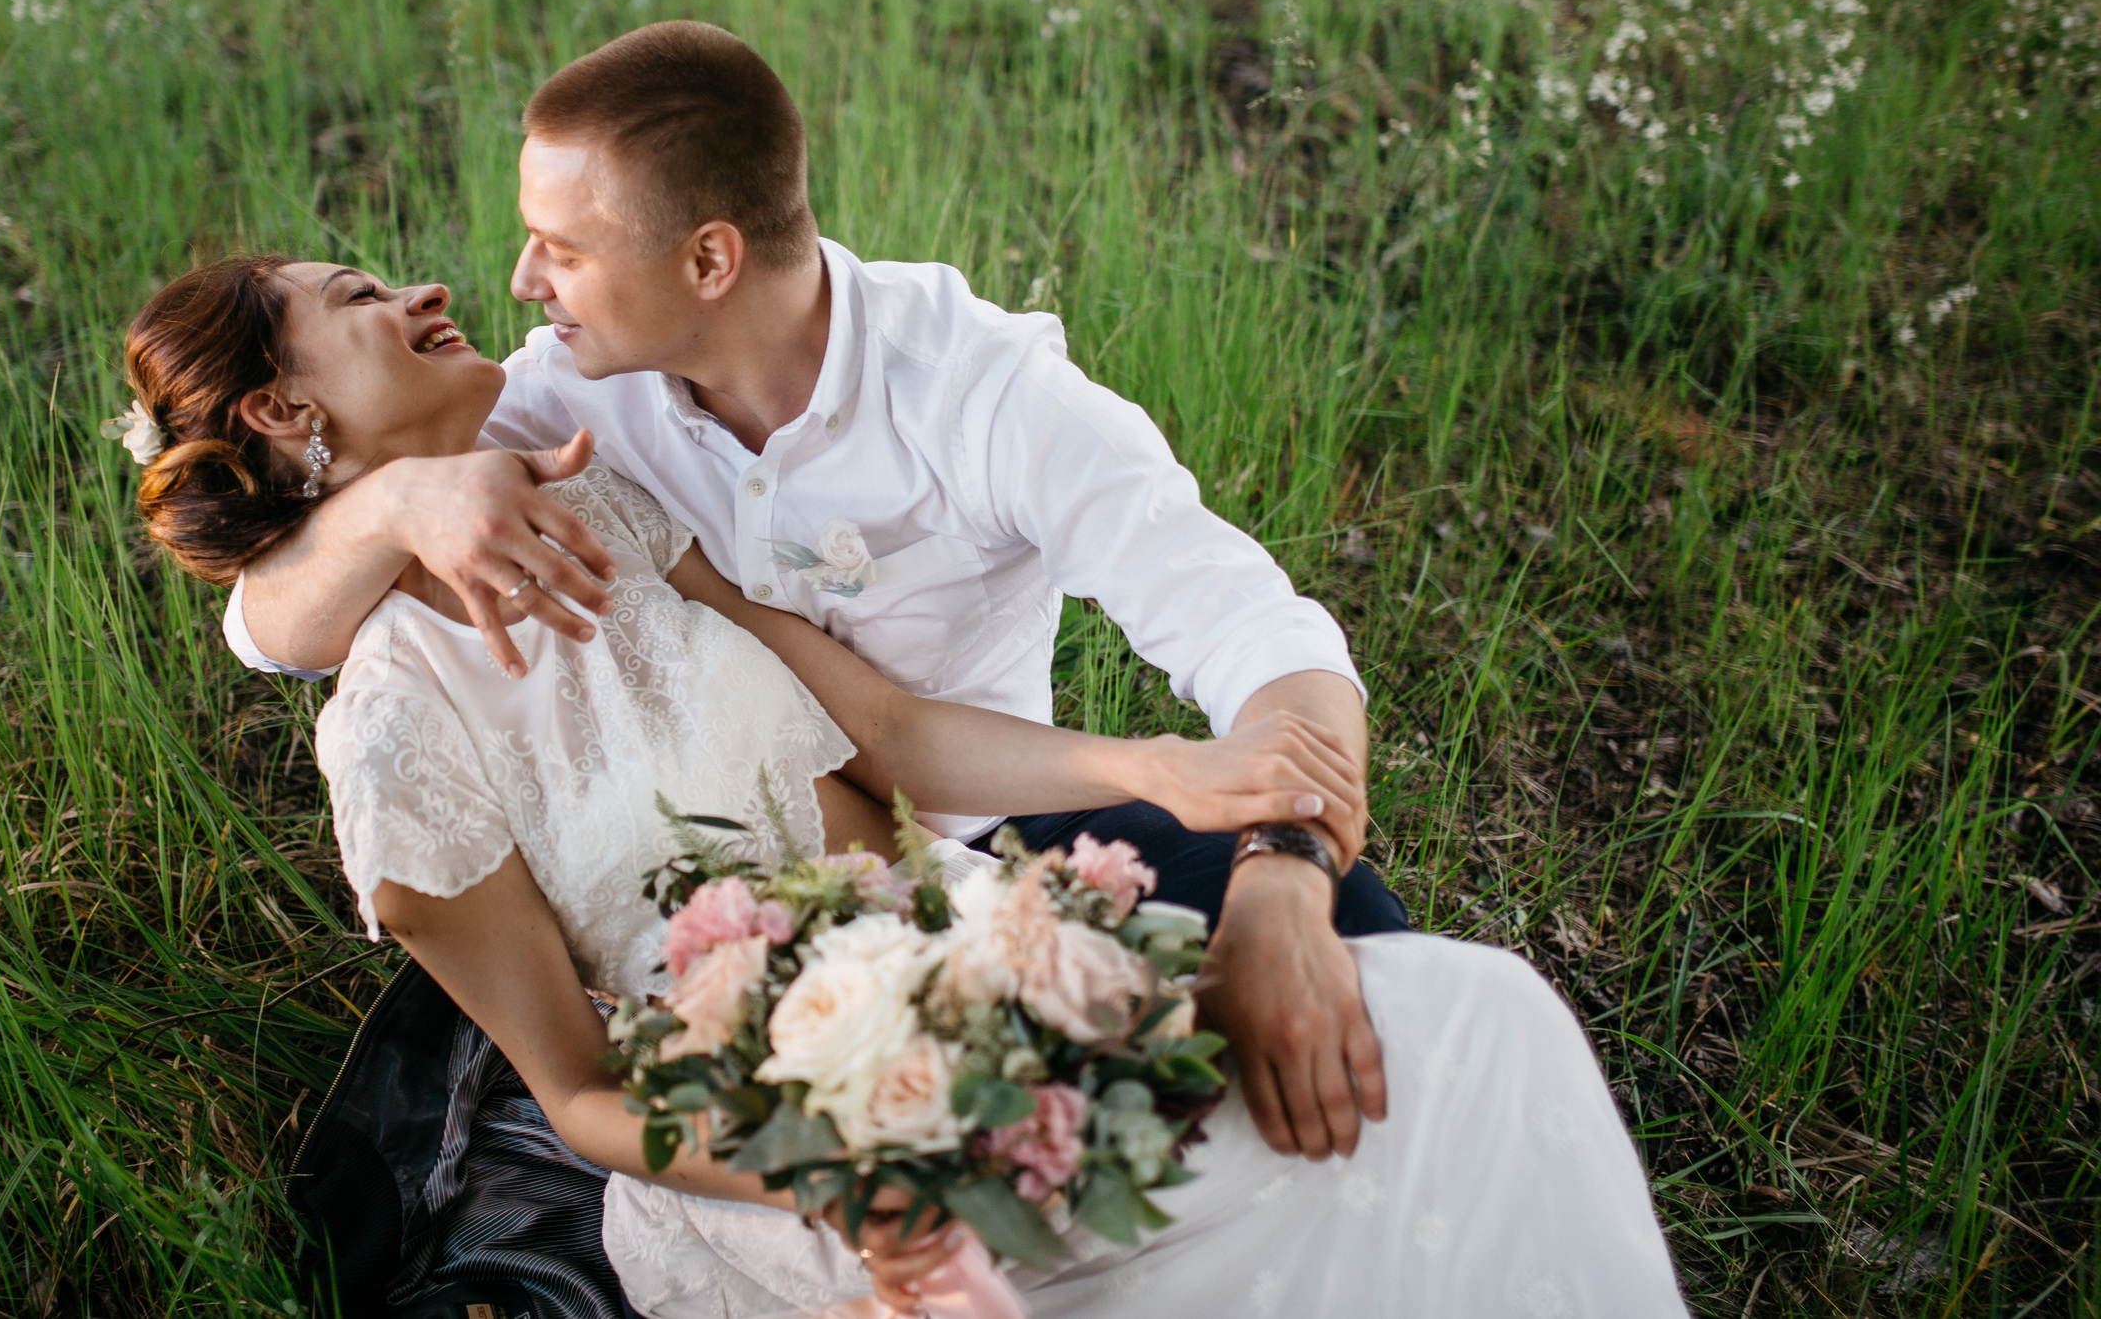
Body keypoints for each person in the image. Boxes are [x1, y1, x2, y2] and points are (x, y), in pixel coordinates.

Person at [110, 253, 1687, 1317]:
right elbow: (582, 1093)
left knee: (1474, 1018)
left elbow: (882, 725)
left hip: (983, 935)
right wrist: (846, 1164)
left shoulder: (607, 493)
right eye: (359, 295)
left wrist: (1163, 766)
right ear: (284, 412)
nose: (436, 286)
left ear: (712, 253)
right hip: (782, 1127)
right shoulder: (392, 732)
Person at [226, 21, 1403, 1163]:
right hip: (721, 914)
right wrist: (392, 506)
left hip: (1000, 817)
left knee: (1357, 959)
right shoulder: (561, 399)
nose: (524, 280)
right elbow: (268, 628)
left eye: (562, 249)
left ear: (709, 260)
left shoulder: (980, 397)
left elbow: (1255, 632)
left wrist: (1284, 877)